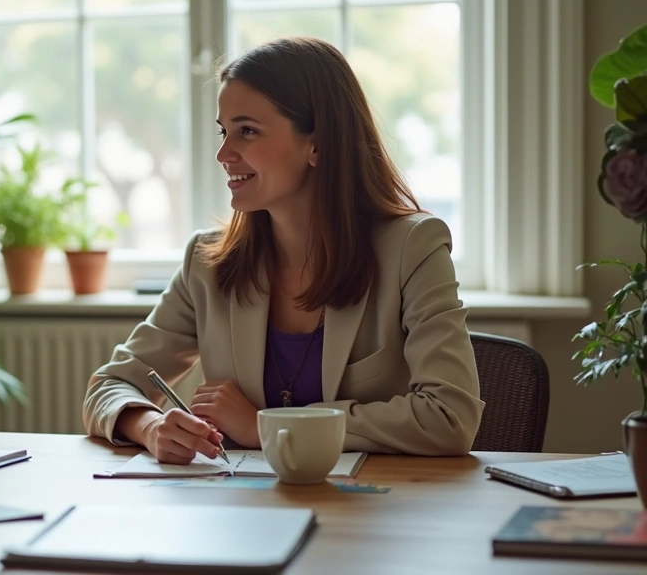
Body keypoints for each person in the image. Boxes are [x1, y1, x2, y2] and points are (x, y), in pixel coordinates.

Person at [83, 37, 483, 463]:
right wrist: (150, 426)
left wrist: (267, 425)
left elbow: (449, 417)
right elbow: (109, 385)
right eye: (224, 131)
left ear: (318, 144)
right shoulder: (207, 263)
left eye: (247, 131)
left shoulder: (413, 249)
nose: (223, 153)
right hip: (246, 516)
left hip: (374, 514)